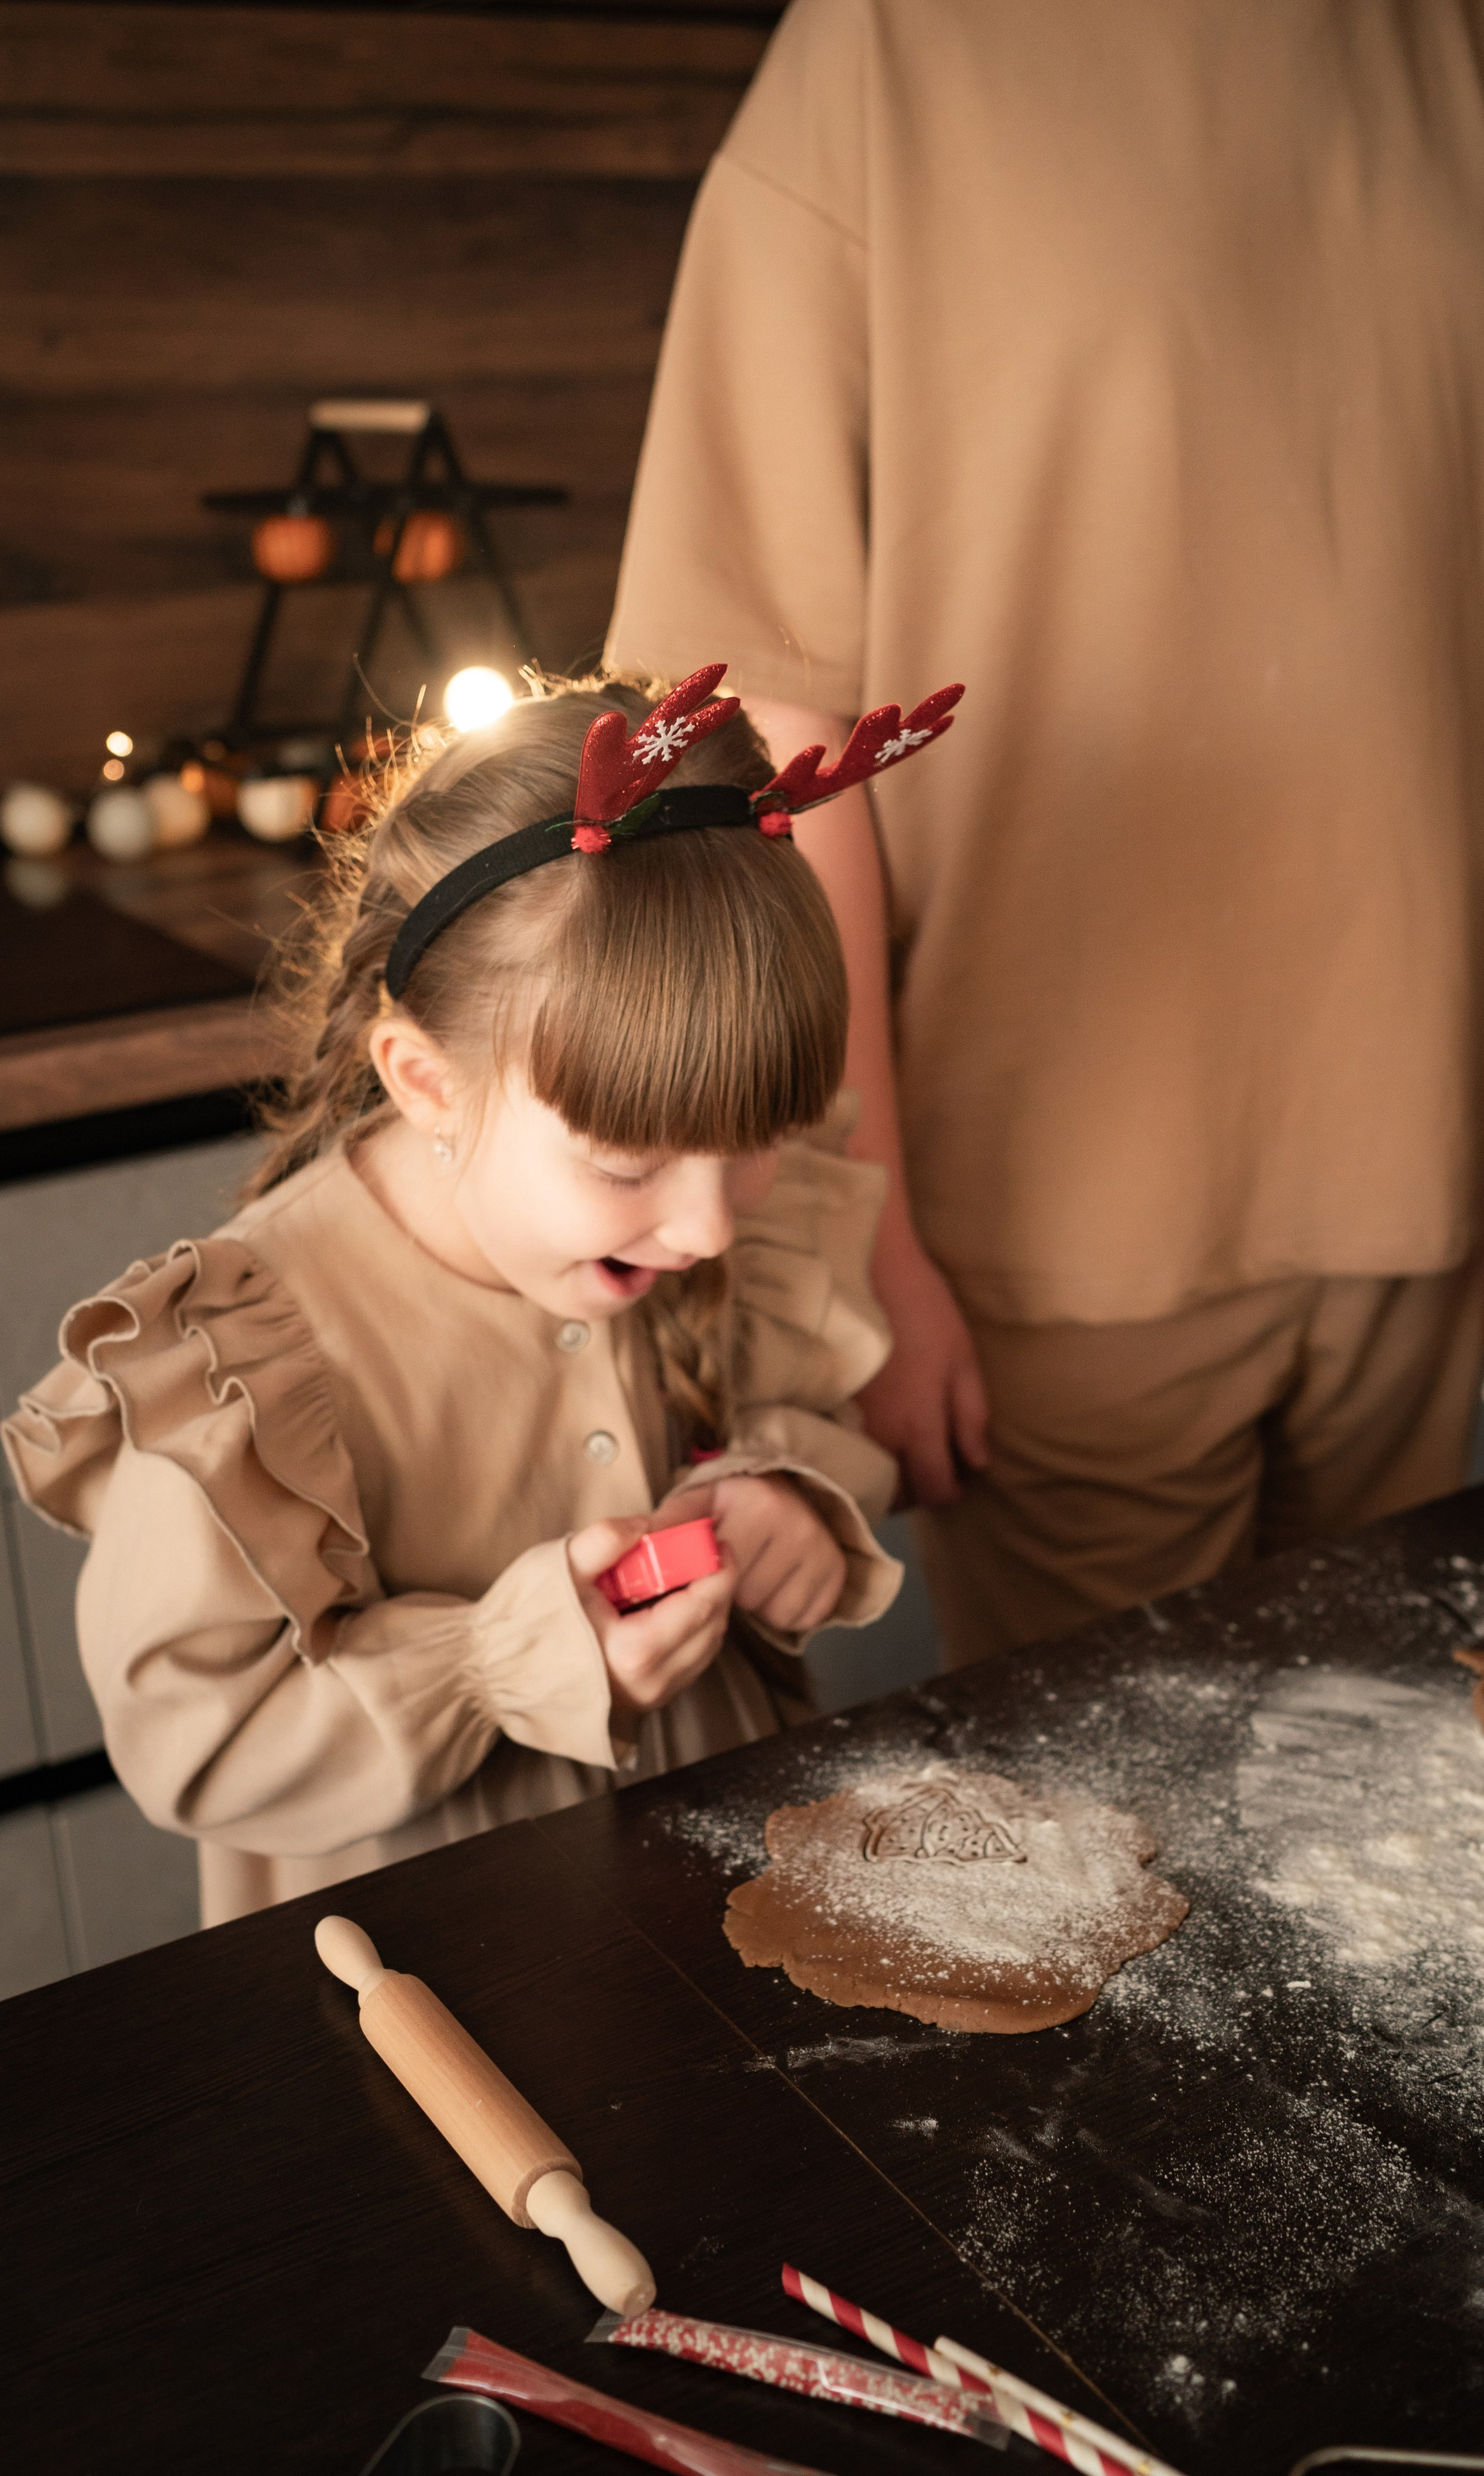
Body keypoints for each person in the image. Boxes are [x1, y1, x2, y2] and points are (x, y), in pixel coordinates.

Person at [607, 0, 1484, 1664]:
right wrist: (871, 1233)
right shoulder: (882, 54)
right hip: (1067, 1239)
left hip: (1428, 1188)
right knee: (1127, 1880)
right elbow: (783, 738)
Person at [1, 672, 948, 1927]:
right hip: (434, 1978)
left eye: (757, 1139)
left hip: (723, 1903)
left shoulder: (693, 1216)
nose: (709, 1224)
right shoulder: (238, 1353)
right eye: (626, 1165)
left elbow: (810, 1402)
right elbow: (202, 1742)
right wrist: (504, 1661)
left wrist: (779, 1496)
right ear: (425, 1081)